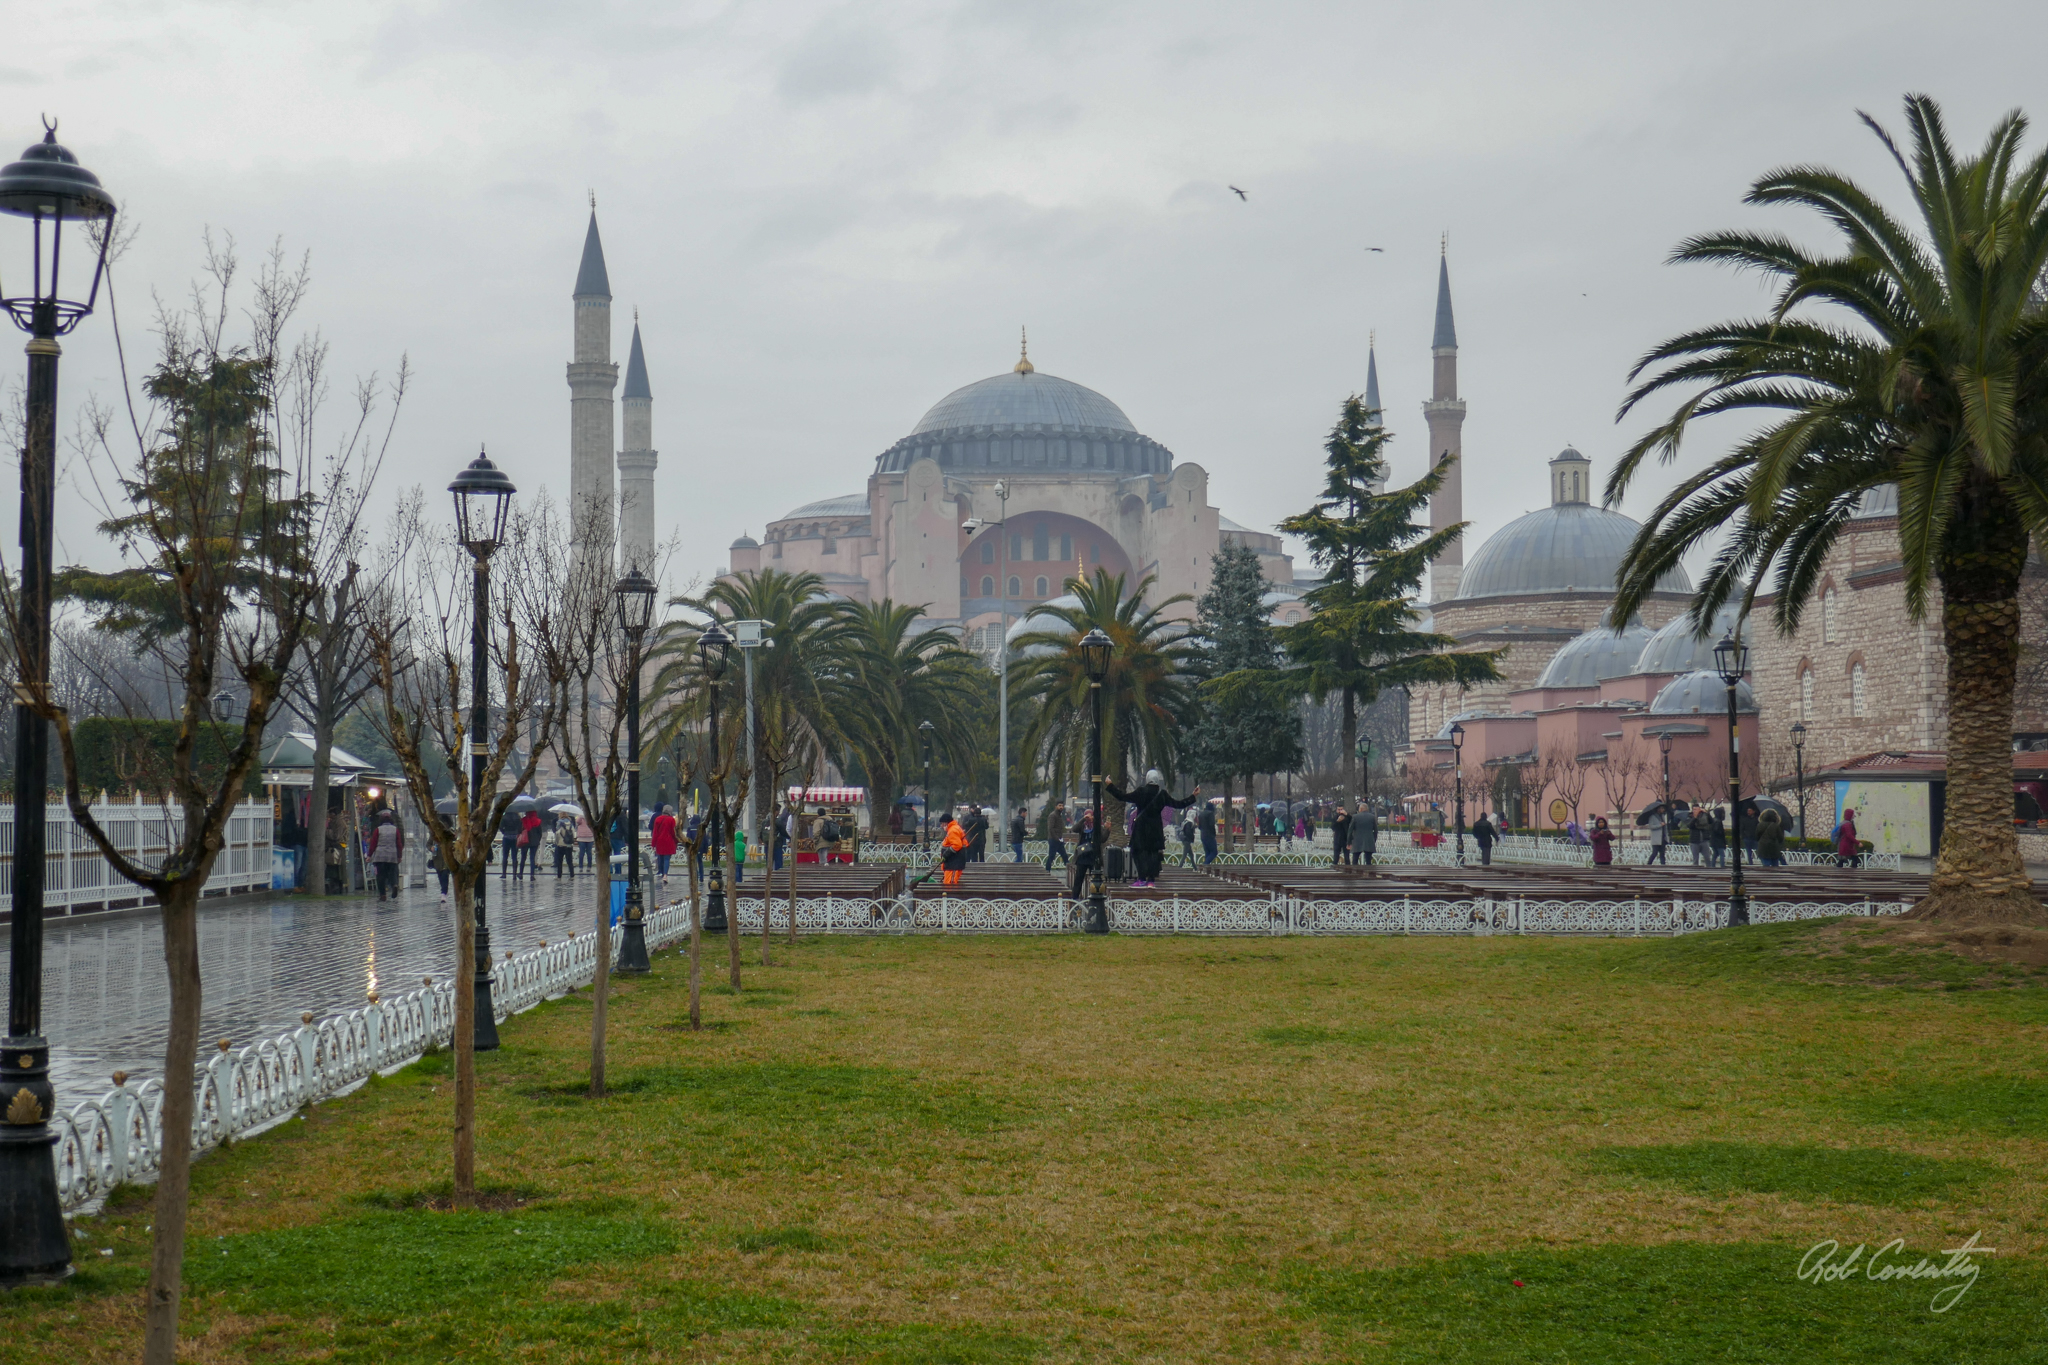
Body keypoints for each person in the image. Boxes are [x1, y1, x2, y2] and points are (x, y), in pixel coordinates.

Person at [1104, 769, 1200, 888]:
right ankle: (1151, 880)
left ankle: (1142, 878)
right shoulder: (1162, 794)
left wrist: (1110, 785)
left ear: (1147, 779)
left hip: (1141, 828)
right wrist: (1193, 796)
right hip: (1155, 829)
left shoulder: (1141, 791)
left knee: (1137, 852)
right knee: (1153, 854)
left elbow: (1122, 797)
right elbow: (1178, 804)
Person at [368, 811, 404, 902]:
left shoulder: (378, 830)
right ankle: (394, 884)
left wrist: (369, 855)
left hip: (380, 856)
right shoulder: (395, 829)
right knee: (393, 873)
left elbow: (373, 843)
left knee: (380, 876)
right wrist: (399, 856)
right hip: (392, 855)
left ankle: (383, 895)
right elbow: (399, 844)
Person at [650, 804, 679, 884]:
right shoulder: (671, 820)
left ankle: (662, 873)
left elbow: (655, 832)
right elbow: (673, 832)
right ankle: (665, 875)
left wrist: (653, 844)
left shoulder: (657, 819)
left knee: (660, 858)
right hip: (668, 841)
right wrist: (677, 840)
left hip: (660, 841)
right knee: (666, 859)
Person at [940, 811, 969, 886]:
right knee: (949, 884)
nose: (941, 826)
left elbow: (957, 845)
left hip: (953, 864)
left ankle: (950, 897)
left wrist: (946, 854)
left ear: (946, 823)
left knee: (950, 884)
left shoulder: (953, 830)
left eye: (942, 823)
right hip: (952, 863)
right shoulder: (954, 828)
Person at [499, 806, 521, 879]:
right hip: (515, 837)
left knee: (505, 855)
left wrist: (504, 832)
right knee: (514, 856)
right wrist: (517, 832)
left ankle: (504, 874)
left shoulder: (504, 817)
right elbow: (521, 827)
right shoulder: (518, 817)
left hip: (506, 836)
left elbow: (500, 827)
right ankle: (514, 875)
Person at [1046, 804, 1069, 871]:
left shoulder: (1059, 815)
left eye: (1062, 806)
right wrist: (1056, 838)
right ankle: (1047, 871)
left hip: (1059, 840)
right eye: (1059, 806)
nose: (1061, 807)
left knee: (1064, 856)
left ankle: (1069, 871)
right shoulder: (1053, 815)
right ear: (1056, 806)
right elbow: (1050, 828)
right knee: (1051, 856)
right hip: (1054, 840)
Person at [1197, 800, 1218, 867]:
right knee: (1214, 852)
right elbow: (1212, 825)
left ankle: (1206, 868)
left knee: (1207, 852)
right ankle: (1205, 865)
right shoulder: (1210, 814)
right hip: (1210, 835)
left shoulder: (1201, 814)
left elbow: (1199, 826)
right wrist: (1214, 834)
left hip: (1203, 835)